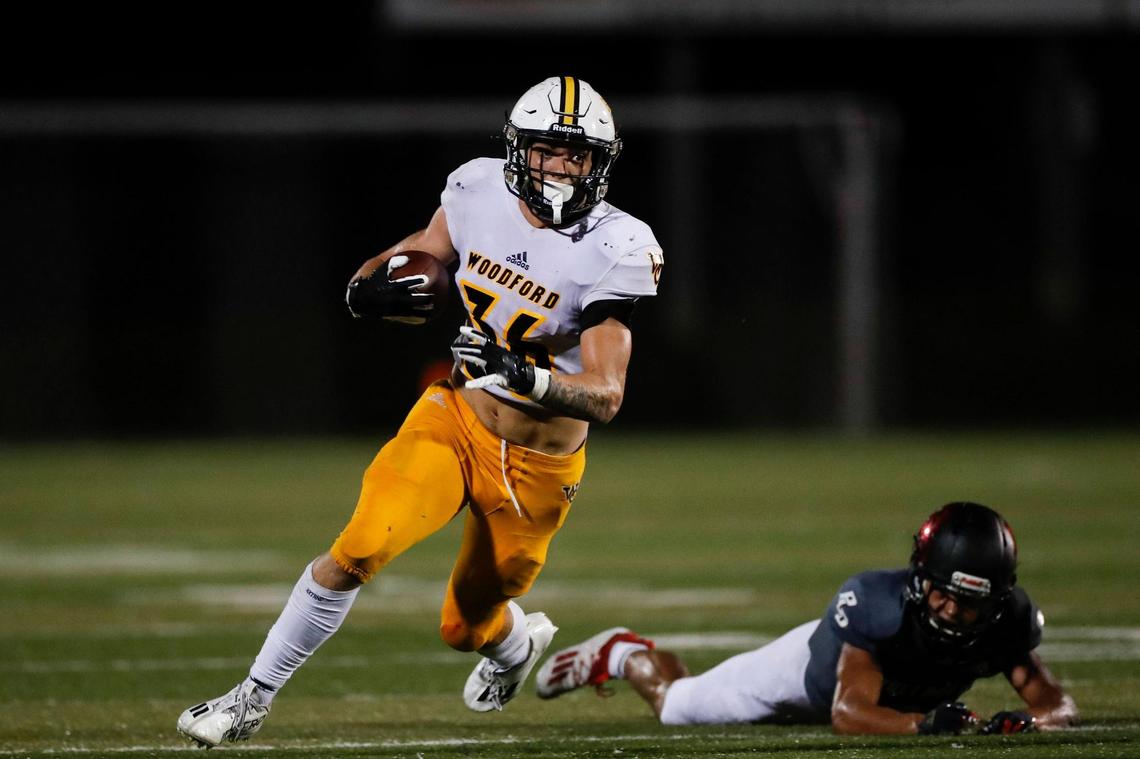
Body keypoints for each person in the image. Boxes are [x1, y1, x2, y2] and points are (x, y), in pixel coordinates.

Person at [176, 76, 663, 747]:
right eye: (547, 150)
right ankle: (250, 698)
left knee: (465, 627)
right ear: (520, 151)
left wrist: (526, 373)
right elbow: (426, 252)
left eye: (576, 155)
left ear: (598, 165)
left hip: (537, 469)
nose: (559, 166)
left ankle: (516, 647)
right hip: (456, 418)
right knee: (359, 547)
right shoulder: (476, 187)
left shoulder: (617, 244)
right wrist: (368, 281)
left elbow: (607, 393)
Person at [536, 502, 1078, 736]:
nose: (955, 612)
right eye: (944, 595)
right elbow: (848, 711)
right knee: (678, 707)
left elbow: (1057, 703)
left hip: (871, 699)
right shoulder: (876, 604)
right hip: (807, 676)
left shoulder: (1009, 621)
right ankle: (623, 653)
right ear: (922, 576)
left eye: (972, 603)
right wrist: (923, 724)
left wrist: (1032, 722)